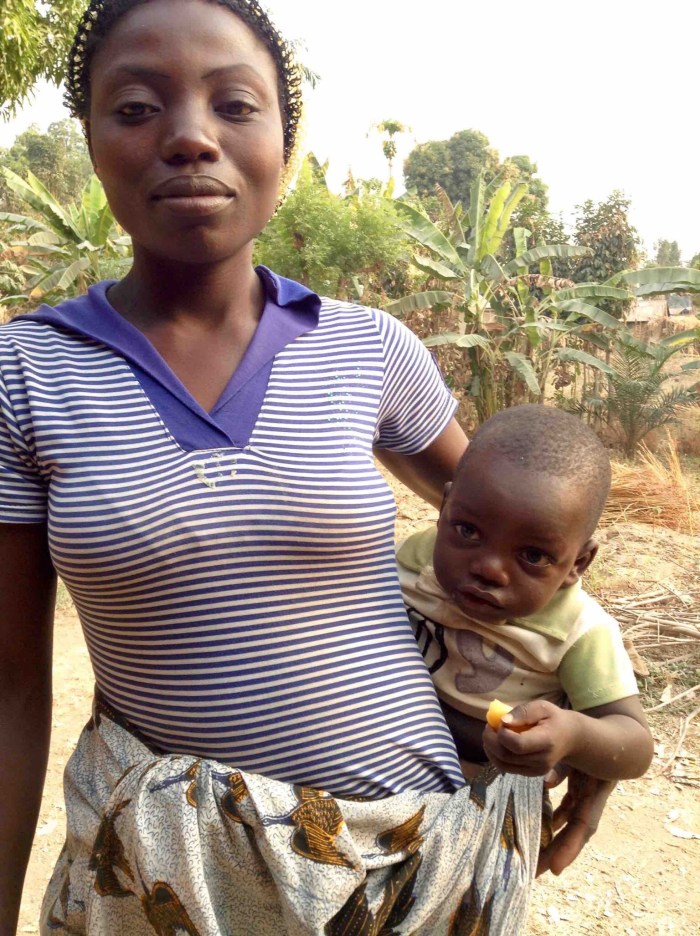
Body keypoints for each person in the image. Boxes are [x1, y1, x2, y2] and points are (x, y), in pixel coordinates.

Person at [0, 3, 614, 933]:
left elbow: (536, 540)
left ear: (286, 143)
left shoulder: (369, 349)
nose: (191, 137)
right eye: (135, 107)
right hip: (180, 880)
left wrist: (602, 729)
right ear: (89, 141)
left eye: (235, 105)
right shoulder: (25, 375)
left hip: (432, 861)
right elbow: (8, 687)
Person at [398, 404, 654, 879]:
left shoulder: (579, 631)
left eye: (533, 555)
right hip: (390, 787)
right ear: (445, 508)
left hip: (491, 809)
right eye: (468, 530)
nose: (489, 568)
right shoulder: (414, 562)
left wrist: (574, 735)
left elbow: (635, 744)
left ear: (578, 563)